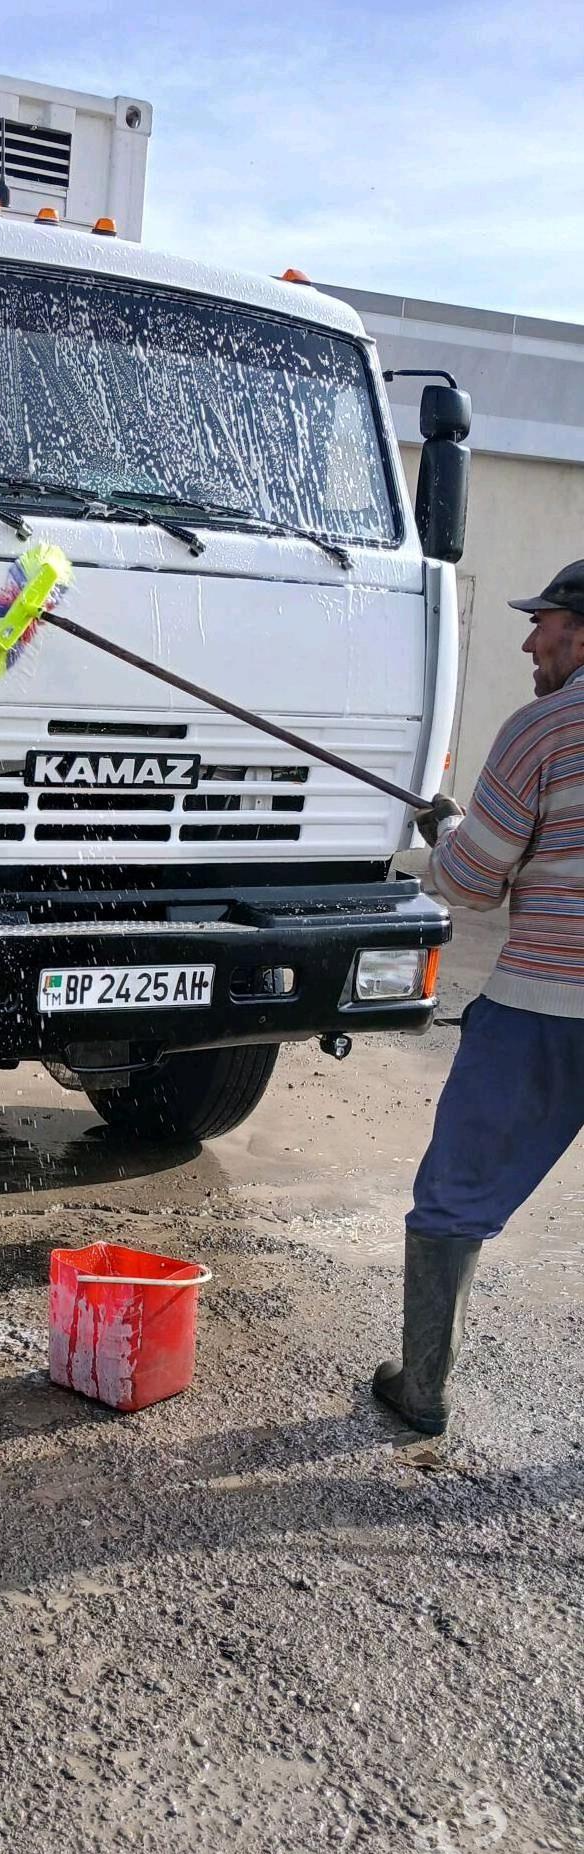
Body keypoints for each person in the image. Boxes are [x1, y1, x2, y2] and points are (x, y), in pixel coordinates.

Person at [374, 561, 584, 1435]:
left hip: (548, 1007)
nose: (530, 640)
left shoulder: (545, 727)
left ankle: (422, 1389)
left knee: (457, 1194)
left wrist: (444, 828)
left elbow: (469, 880)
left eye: (545, 623)